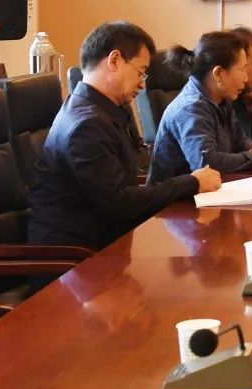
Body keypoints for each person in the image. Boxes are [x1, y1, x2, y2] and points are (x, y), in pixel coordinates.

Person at [28, 22, 221, 250]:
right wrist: (191, 182)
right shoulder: (86, 125)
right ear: (115, 60)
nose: (142, 83)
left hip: (105, 243)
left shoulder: (94, 109)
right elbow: (120, 203)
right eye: (140, 71)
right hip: (75, 257)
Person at [148, 32, 252, 183]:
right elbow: (207, 163)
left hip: (213, 190)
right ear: (219, 73)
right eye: (242, 69)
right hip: (177, 197)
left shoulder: (222, 100)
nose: (245, 78)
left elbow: (240, 141)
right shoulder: (191, 108)